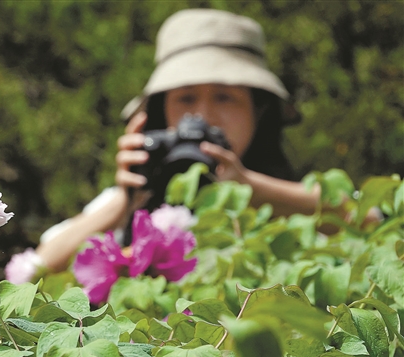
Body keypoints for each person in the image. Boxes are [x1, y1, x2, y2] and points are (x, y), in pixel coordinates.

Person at [34, 9, 354, 274]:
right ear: (161, 113)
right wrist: (126, 200)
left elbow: (366, 219)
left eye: (225, 97)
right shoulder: (128, 202)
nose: (203, 116)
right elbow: (38, 267)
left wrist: (250, 188)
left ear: (259, 111)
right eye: (185, 98)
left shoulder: (290, 200)